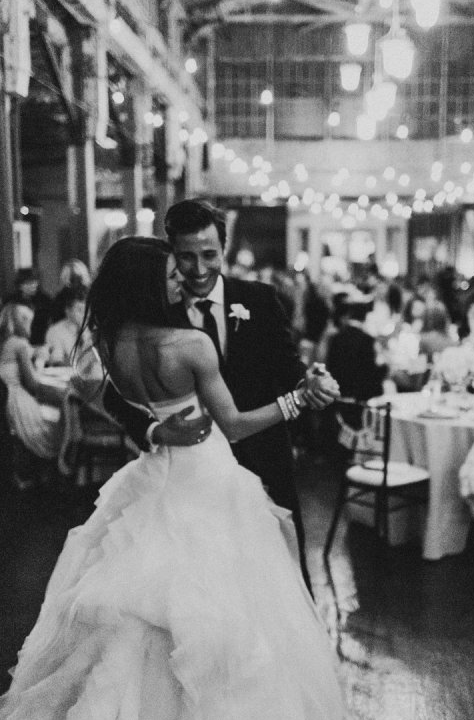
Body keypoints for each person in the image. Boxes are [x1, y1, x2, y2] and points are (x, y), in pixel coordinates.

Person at [0, 237, 351, 720]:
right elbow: (235, 425)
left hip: (154, 473)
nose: (179, 281)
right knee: (228, 608)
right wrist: (297, 399)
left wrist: (153, 424)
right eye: (169, 272)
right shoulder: (189, 344)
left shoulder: (109, 340)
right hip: (207, 477)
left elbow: (94, 393)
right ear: (146, 280)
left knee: (138, 610)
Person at [103, 201, 336, 597]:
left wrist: (310, 380)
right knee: (209, 589)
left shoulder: (260, 298)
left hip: (263, 458)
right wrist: (154, 428)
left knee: (286, 582)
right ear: (170, 252)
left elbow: (286, 362)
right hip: (190, 478)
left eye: (209, 255)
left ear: (223, 249)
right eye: (186, 257)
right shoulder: (157, 312)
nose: (197, 269)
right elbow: (112, 394)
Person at [0, 302, 63, 470]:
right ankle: (60, 465)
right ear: (22, 322)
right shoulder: (19, 344)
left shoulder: (7, 342)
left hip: (6, 399)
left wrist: (34, 351)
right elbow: (32, 384)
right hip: (17, 400)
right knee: (58, 416)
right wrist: (41, 359)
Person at [44, 288, 87, 365]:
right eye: (80, 310)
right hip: (67, 373)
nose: (84, 314)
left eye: (86, 310)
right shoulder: (55, 331)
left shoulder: (90, 329)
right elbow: (57, 361)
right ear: (68, 311)